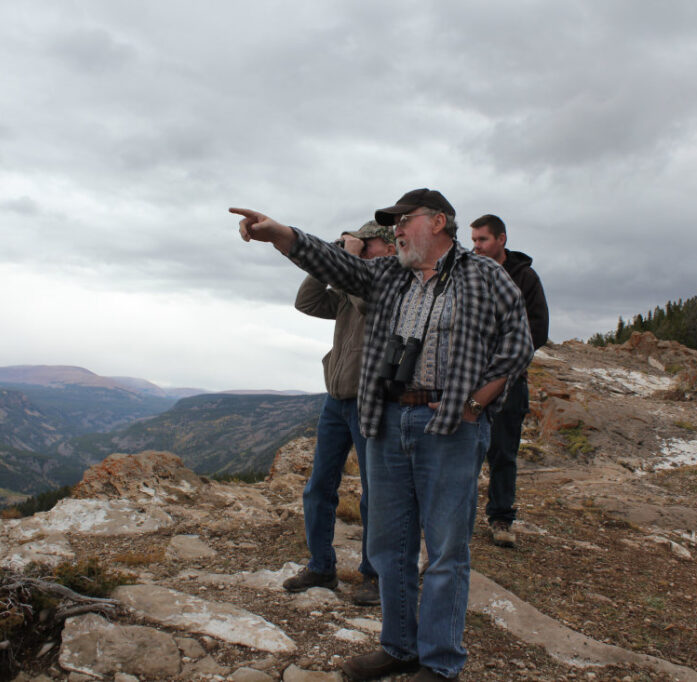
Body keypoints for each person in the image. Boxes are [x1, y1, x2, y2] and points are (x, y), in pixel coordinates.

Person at [231, 188, 533, 682]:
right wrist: (280, 234)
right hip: (387, 421)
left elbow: (518, 346)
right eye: (391, 223)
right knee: (388, 547)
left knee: (444, 551)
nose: (395, 229)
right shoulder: (389, 275)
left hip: (452, 426)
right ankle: (398, 647)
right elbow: (334, 266)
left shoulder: (485, 275)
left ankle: (439, 663)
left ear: (438, 222)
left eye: (402, 220)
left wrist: (477, 402)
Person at [284, 221, 396, 606]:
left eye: (369, 244)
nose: (362, 250)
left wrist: (347, 261)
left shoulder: (393, 283)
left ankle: (374, 573)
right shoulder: (349, 293)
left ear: (391, 246)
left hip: (371, 398)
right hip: (337, 398)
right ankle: (321, 565)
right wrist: (330, 261)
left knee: (375, 494)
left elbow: (369, 300)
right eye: (359, 245)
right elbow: (308, 303)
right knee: (319, 487)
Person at [470, 214, 550, 548]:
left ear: (502, 239)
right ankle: (454, 515)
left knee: (503, 453)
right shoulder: (469, 272)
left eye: (482, 240)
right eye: (473, 241)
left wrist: (503, 355)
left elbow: (538, 331)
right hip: (471, 378)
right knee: (464, 450)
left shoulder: (525, 278)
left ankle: (501, 519)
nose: (476, 247)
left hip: (510, 380)